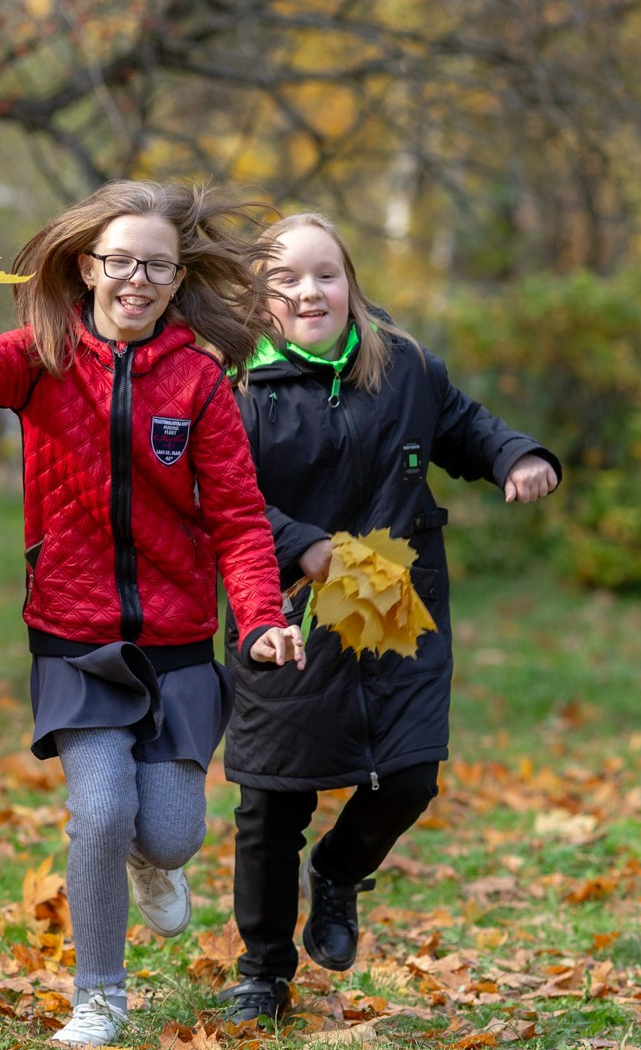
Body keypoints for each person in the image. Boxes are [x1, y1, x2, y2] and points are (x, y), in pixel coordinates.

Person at [0, 180, 305, 1047]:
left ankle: (150, 867)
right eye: (120, 261)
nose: (137, 279)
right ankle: (98, 996)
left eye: (156, 265)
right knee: (101, 808)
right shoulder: (42, 352)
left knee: (169, 832)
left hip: (177, 640)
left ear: (174, 274)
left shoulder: (198, 378)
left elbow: (236, 515)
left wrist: (262, 618)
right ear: (86, 266)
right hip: (74, 633)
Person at [216, 212, 561, 1023]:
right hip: (284, 611)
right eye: (286, 278)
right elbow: (220, 501)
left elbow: (463, 426)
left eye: (325, 274)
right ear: (256, 296)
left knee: (408, 773)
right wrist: (297, 544)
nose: (309, 291)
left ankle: (337, 873)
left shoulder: (400, 364)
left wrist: (517, 455)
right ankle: (262, 972)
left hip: (392, 604)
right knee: (272, 803)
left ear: (351, 283)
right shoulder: (230, 387)